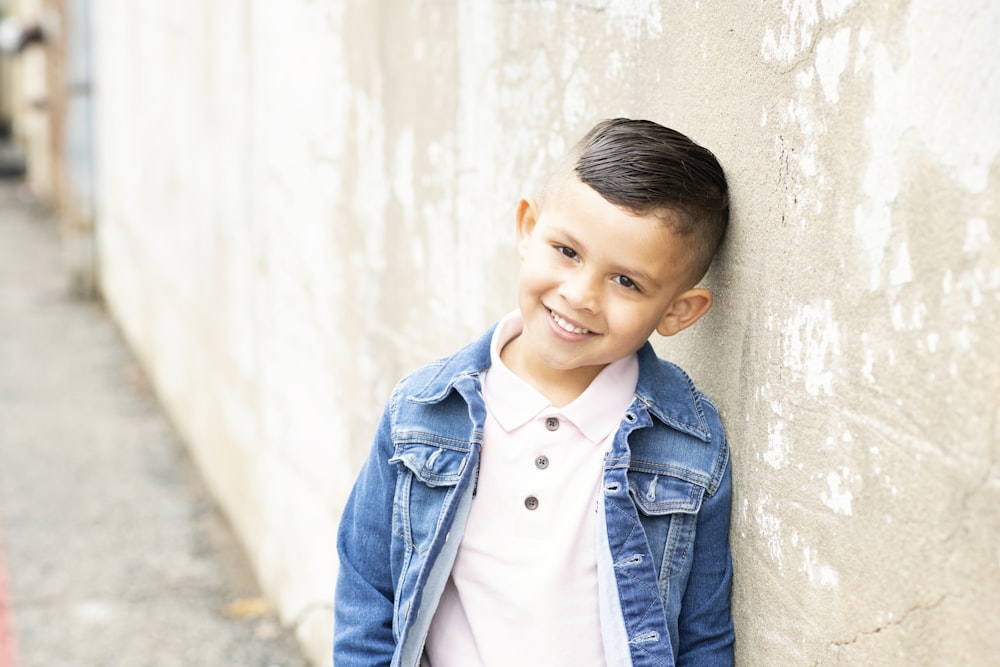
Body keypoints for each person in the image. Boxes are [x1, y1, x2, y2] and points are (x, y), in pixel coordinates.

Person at [334, 118, 734, 667]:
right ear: (528, 226)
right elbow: (367, 589)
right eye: (567, 251)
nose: (580, 295)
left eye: (626, 282)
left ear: (677, 311)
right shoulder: (423, 412)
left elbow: (703, 637)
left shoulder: (688, 445)